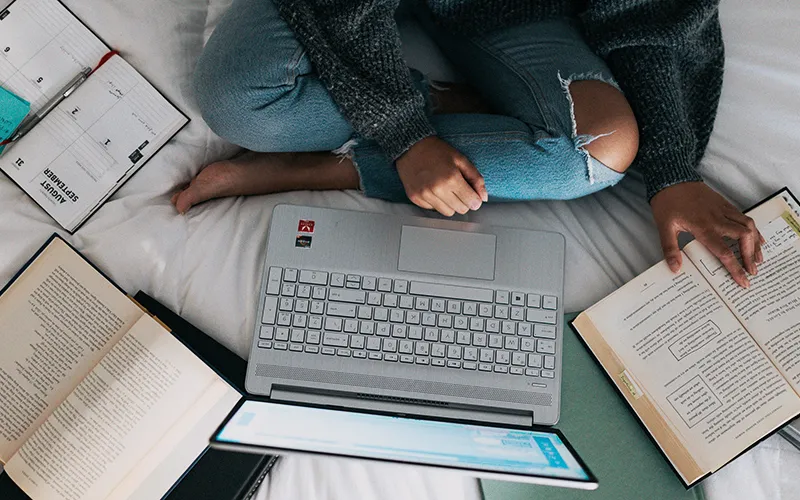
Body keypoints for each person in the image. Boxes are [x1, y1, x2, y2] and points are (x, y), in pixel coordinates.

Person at [174, 0, 763, 288]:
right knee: (234, 100)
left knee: (594, 152)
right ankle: (439, 106)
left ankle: (329, 168)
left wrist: (671, 169)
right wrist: (404, 132)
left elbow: (644, 11)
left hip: (506, 10)